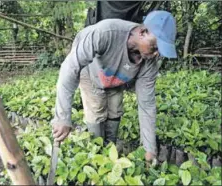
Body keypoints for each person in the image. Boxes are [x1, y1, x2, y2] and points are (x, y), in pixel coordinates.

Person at [51, 10, 177, 163]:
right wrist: (63, 118)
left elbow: (147, 105)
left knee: (115, 110)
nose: (157, 54)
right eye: (155, 47)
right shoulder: (105, 33)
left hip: (117, 77)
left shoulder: (149, 61)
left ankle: (109, 151)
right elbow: (69, 68)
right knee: (97, 111)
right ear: (143, 32)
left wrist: (150, 149)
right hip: (91, 72)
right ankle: (96, 154)